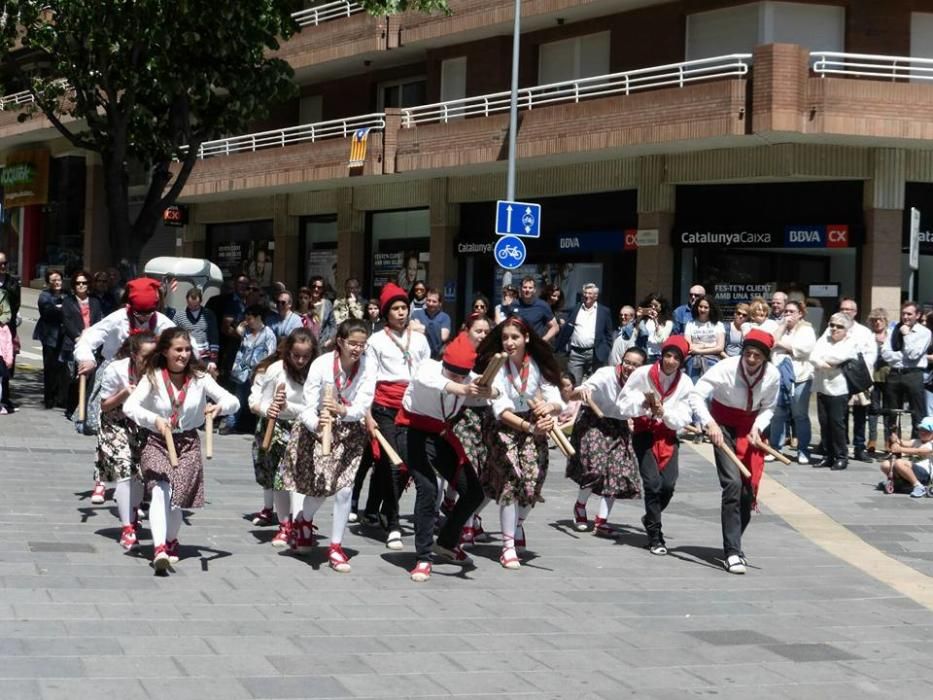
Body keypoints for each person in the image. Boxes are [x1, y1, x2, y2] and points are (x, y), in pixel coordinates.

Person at [122, 328, 239, 572]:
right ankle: (159, 549)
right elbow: (130, 407)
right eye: (178, 349)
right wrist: (154, 419)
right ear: (165, 351)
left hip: (187, 443)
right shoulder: (153, 376)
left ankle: (171, 539)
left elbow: (233, 401)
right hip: (157, 439)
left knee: (176, 501)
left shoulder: (200, 377)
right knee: (159, 490)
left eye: (187, 350)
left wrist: (218, 409)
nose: (183, 355)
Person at [397, 332, 495, 582]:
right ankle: (423, 557)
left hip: (438, 433)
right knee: (428, 488)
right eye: (454, 373)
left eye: (463, 374)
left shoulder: (468, 378)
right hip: (410, 430)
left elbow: (494, 392)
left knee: (474, 491)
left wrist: (489, 390)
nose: (459, 379)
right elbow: (442, 384)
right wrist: (463, 387)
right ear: (445, 365)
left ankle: (447, 542)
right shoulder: (428, 368)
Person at [280, 320, 374, 570]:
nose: (357, 349)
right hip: (319, 426)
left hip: (350, 429)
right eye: (353, 343)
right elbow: (309, 404)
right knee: (322, 486)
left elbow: (364, 402)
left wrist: (344, 410)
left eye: (362, 345)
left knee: (344, 488)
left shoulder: (367, 365)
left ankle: (335, 546)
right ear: (341, 342)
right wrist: (319, 426)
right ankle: (303, 519)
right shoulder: (321, 364)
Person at [75, 277, 176, 502]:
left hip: (146, 377)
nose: (143, 319)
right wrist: (86, 358)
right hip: (115, 373)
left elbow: (184, 345)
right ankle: (100, 480)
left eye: (147, 314)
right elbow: (88, 337)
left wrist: (201, 367)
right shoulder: (117, 318)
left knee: (143, 430)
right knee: (105, 428)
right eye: (139, 315)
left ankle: (141, 479)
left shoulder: (162, 323)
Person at [476, 316, 563, 570]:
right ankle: (508, 547)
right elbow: (501, 410)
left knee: (534, 479)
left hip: (533, 422)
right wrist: (530, 427)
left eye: (515, 337)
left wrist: (551, 406)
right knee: (510, 482)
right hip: (504, 427)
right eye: (505, 338)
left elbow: (555, 396)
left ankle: (515, 524)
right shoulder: (498, 365)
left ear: (526, 338)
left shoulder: (537, 364)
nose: (509, 342)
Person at [693, 329, 780, 574]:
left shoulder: (772, 375)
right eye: (748, 354)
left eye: (757, 356)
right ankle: (732, 551)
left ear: (765, 358)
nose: (751, 360)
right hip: (722, 427)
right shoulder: (726, 368)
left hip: (750, 429)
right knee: (732, 484)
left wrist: (758, 427)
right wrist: (709, 423)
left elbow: (769, 407)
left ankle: (734, 539)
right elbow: (697, 394)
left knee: (747, 490)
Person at [364, 282, 431, 550]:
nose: (401, 313)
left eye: (404, 307)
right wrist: (367, 414)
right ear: (386, 313)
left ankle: (380, 509)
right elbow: (368, 379)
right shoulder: (376, 340)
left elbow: (427, 373)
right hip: (385, 406)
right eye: (395, 308)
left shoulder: (421, 339)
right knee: (393, 464)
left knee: (410, 465)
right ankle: (392, 522)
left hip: (414, 406)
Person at [619, 337, 697, 555]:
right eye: (668, 355)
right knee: (652, 485)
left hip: (668, 436)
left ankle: (650, 516)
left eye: (676, 358)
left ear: (682, 360)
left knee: (668, 486)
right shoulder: (643, 374)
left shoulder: (685, 382)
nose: (671, 361)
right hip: (644, 433)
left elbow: (686, 416)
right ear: (661, 355)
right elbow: (623, 402)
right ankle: (655, 536)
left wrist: (667, 414)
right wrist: (642, 404)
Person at [566, 346, 646, 537]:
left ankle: (602, 521)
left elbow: (645, 405)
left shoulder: (642, 382)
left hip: (618, 425)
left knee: (616, 472)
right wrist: (583, 391)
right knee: (594, 467)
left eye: (635, 365)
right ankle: (580, 506)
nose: (629, 367)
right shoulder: (606, 374)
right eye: (627, 362)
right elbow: (582, 391)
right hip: (593, 420)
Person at [247, 328, 317, 547]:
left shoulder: (316, 372)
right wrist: (271, 408)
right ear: (288, 352)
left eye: (305, 356)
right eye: (296, 355)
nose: (300, 360)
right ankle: (284, 524)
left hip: (304, 427)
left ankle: (300, 522)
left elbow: (313, 406)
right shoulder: (276, 370)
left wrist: (290, 406)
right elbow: (257, 400)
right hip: (275, 427)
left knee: (298, 478)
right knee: (279, 478)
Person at [95, 332, 157, 550]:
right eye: (145, 356)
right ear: (134, 355)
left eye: (154, 356)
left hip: (143, 424)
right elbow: (104, 406)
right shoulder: (116, 369)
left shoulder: (158, 371)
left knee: (140, 475)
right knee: (123, 469)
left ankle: (132, 512)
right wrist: (123, 393)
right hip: (116, 421)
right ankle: (127, 528)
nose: (150, 361)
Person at [767, 300, 816, 464]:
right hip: (779, 377)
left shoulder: (807, 330)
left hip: (800, 378)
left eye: (791, 312)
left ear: (800, 314)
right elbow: (770, 343)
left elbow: (803, 350)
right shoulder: (779, 327)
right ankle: (775, 449)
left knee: (799, 415)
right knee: (778, 414)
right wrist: (781, 329)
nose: (787, 314)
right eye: (785, 311)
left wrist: (780, 345)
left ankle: (802, 450)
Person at [810, 313, 858, 470]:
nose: (834, 329)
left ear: (847, 329)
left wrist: (822, 359)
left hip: (839, 388)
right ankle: (828, 455)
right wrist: (823, 360)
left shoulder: (851, 342)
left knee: (837, 423)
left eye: (839, 326)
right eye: (832, 325)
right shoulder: (825, 338)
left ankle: (841, 456)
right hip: (822, 387)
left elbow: (838, 357)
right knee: (824, 423)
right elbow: (813, 356)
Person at [881, 301, 931, 440]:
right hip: (894, 373)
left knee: (917, 413)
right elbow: (885, 353)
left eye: (909, 314)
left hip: (913, 374)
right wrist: (900, 356)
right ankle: (893, 447)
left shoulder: (924, 332)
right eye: (903, 313)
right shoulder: (893, 329)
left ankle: (917, 446)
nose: (905, 317)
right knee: (892, 413)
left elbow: (914, 355)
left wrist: (907, 335)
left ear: (918, 315)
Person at [225, 305, 278, 435]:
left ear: (258, 318)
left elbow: (271, 354)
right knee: (239, 398)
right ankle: (231, 423)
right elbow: (238, 331)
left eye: (250, 318)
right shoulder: (247, 332)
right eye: (246, 318)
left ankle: (258, 428)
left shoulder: (268, 334)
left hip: (258, 373)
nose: (248, 321)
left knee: (258, 399)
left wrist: (262, 369)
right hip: (243, 371)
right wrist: (243, 324)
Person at [838, 297, 878, 462]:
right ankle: (842, 447)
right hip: (839, 377)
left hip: (860, 378)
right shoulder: (834, 329)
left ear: (855, 312)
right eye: (843, 309)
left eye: (849, 309)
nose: (845, 312)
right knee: (841, 415)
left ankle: (860, 448)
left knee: (860, 415)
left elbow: (871, 354)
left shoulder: (864, 332)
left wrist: (859, 369)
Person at [61, 270, 104, 419]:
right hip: (73, 343)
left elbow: (99, 321)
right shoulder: (68, 301)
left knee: (90, 377)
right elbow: (67, 322)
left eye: (84, 283)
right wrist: (77, 337)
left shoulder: (95, 301)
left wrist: (93, 338)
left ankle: (84, 408)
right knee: (74, 377)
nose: (81, 285)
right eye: (78, 283)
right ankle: (70, 408)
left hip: (92, 344)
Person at [557, 283, 614, 386]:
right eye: (585, 293)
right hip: (575, 353)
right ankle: (575, 402)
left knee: (594, 384)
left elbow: (608, 333)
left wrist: (606, 349)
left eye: (590, 293)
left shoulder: (604, 311)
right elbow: (563, 316)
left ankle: (588, 403)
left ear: (596, 296)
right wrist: (562, 321)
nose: (587, 295)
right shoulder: (576, 308)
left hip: (595, 353)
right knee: (573, 384)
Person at [34, 270, 67, 409]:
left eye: (58, 279)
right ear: (48, 283)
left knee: (62, 367)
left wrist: (61, 307)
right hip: (49, 336)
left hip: (64, 335)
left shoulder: (67, 295)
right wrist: (60, 308)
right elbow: (48, 312)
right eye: (53, 280)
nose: (57, 282)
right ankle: (49, 398)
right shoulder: (44, 296)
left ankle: (60, 398)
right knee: (50, 367)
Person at [879, 416, 933, 498]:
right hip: (911, 470)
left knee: (899, 463)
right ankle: (899, 483)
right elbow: (903, 443)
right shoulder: (916, 441)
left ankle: (919, 486)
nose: (922, 432)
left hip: (924, 474)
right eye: (921, 430)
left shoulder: (931, 444)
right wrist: (896, 439)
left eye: (927, 431)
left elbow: (919, 451)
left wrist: (900, 449)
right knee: (885, 464)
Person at [171, 287, 219, 374]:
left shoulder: (208, 314)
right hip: (187, 355)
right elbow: (173, 336)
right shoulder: (179, 315)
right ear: (186, 301)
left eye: (196, 306)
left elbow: (214, 336)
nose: (192, 308)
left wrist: (213, 359)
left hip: (205, 356)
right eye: (190, 305)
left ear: (201, 301)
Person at [684, 295, 724, 382]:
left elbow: (720, 348)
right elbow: (689, 346)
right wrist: (712, 345)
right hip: (694, 360)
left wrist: (700, 348)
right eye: (700, 306)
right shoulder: (690, 324)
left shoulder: (718, 325)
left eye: (706, 307)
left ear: (711, 309)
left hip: (713, 359)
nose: (702, 309)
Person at [867, 308, 891, 454]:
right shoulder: (868, 336)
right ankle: (872, 440)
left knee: (888, 410)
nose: (877, 322)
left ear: (885, 321)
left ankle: (888, 441)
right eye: (874, 320)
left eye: (880, 319)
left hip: (888, 377)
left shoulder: (891, 336)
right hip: (872, 377)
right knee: (873, 409)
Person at [0, 251, 21, 412]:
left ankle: (5, 398)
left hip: (7, 329)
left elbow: (15, 305)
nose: (2, 266)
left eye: (4, 263)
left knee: (7, 365)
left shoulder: (12, 283)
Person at [322, 277, 367, 349]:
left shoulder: (364, 303)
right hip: (341, 334)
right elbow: (337, 321)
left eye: (354, 288)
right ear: (345, 289)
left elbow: (359, 319)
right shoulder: (338, 302)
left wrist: (352, 303)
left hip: (357, 335)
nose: (352, 290)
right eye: (349, 288)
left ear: (359, 289)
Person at [410, 287, 452, 360]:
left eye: (434, 301)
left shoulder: (445, 317)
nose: (430, 303)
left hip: (436, 357)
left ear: (440, 303)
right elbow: (411, 330)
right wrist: (435, 328)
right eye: (428, 300)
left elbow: (443, 337)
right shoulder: (416, 314)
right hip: (419, 356)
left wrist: (423, 328)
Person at [515, 277, 559, 342]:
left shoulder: (542, 305)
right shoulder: (514, 304)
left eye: (530, 288)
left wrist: (543, 341)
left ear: (534, 290)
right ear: (520, 289)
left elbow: (555, 327)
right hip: (517, 345)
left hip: (534, 346)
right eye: (525, 287)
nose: (527, 290)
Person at [635, 294, 673, 363]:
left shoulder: (668, 322)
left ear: (661, 307)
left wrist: (656, 321)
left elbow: (662, 340)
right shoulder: (644, 321)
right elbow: (635, 335)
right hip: (644, 354)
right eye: (650, 306)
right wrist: (638, 319)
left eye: (655, 305)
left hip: (658, 355)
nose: (653, 308)